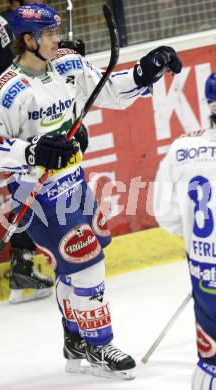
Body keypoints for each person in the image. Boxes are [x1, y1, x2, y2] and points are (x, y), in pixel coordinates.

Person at [0, 2, 182, 378]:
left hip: (76, 184)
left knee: (82, 260)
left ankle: (74, 339)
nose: (58, 39)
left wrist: (145, 71)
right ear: (28, 40)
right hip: (38, 195)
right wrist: (33, 150)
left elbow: (110, 91)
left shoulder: (68, 64)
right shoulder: (5, 91)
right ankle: (98, 344)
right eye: (49, 34)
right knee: (88, 262)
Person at [0, 0, 87, 304]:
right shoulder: (8, 24)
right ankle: (24, 261)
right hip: (17, 109)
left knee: (40, 182)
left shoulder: (5, 20)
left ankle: (26, 261)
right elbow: (18, 61)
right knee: (31, 184)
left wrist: (60, 51)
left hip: (32, 99)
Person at [153, 72, 216, 389]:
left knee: (211, 361)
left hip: (204, 267)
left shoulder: (182, 149)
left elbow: (163, 211)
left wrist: (196, 241)